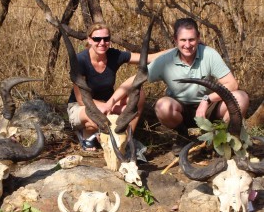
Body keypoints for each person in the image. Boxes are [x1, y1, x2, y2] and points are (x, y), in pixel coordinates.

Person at [147, 17, 249, 155]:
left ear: (198, 38)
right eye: (183, 40)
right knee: (162, 105)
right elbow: (136, 79)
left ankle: (223, 137)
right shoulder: (165, 60)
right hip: (181, 111)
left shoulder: (209, 54)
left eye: (191, 39)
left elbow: (232, 84)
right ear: (175, 40)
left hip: (208, 110)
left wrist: (207, 99)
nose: (187, 45)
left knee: (241, 98)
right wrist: (111, 102)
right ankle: (183, 136)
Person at [67, 22, 166, 151]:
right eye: (97, 39)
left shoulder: (114, 55)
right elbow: (81, 99)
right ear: (89, 40)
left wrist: (179, 49)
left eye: (106, 39)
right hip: (82, 106)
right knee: (96, 119)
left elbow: (148, 58)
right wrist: (109, 108)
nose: (102, 42)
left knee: (138, 93)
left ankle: (127, 140)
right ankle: (87, 135)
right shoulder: (80, 60)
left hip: (107, 103)